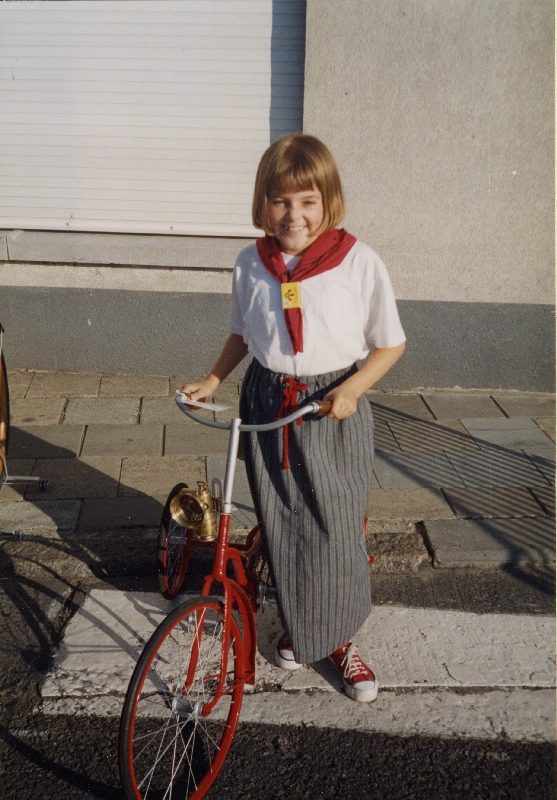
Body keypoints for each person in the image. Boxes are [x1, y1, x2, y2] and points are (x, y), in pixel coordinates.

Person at [182, 134, 406, 703]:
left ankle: (341, 639)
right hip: (267, 400)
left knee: (334, 526)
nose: (294, 215)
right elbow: (241, 332)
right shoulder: (250, 264)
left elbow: (390, 345)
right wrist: (213, 380)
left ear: (328, 201)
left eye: (307, 201)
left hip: (332, 406)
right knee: (284, 525)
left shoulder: (358, 261)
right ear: (263, 204)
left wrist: (353, 389)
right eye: (281, 201)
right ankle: (305, 628)